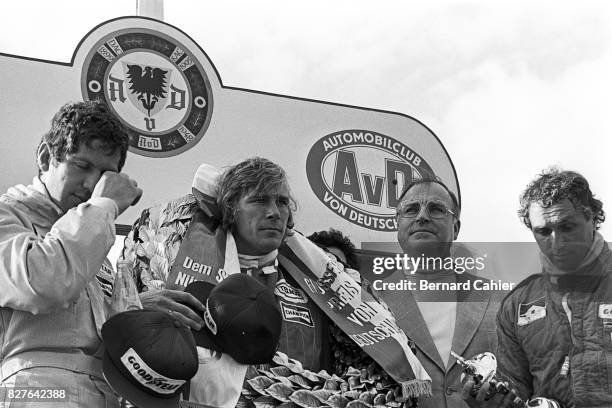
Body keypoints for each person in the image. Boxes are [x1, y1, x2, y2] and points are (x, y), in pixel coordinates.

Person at [120, 158, 332, 407]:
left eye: (282, 202)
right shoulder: (171, 250)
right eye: (259, 200)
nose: (275, 212)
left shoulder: (313, 279)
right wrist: (139, 304)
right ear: (230, 208)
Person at [0, 100, 142, 407]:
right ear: (44, 157)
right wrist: (105, 206)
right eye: (82, 166)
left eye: (105, 175)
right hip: (33, 390)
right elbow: (43, 283)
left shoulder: (89, 239)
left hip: (102, 393)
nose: (92, 184)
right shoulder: (6, 217)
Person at [467, 168, 612, 408]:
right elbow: (516, 391)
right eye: (544, 231)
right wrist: (488, 397)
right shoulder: (518, 304)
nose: (556, 241)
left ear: (593, 217)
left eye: (567, 227)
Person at [377, 175, 503, 408]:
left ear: (455, 228)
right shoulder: (371, 302)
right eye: (411, 209)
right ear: (398, 223)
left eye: (436, 209)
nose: (422, 216)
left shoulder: (498, 299)